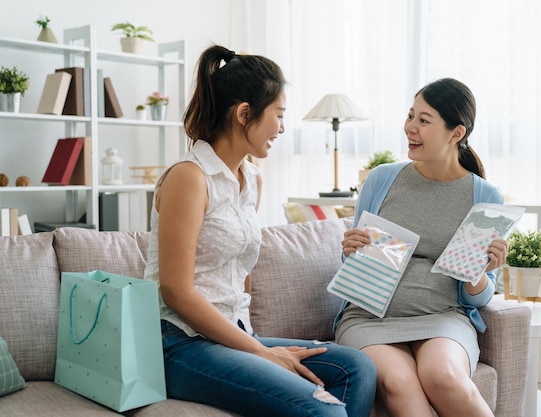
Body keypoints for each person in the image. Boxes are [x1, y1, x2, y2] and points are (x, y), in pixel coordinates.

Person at [143, 45, 376, 417]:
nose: (282, 128)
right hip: (180, 343)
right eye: (278, 115)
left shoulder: (251, 178)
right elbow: (175, 291)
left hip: (234, 335)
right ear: (243, 114)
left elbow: (241, 272)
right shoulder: (189, 177)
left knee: (357, 368)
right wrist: (262, 354)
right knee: (326, 411)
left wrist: (255, 345)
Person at [334, 78, 508, 417]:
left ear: (456, 133)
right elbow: (356, 262)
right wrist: (351, 249)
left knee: (443, 377)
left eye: (423, 121)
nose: (410, 128)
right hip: (369, 317)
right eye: (410, 116)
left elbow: (478, 295)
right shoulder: (381, 179)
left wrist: (481, 272)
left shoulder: (484, 196)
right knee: (399, 382)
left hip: (443, 317)